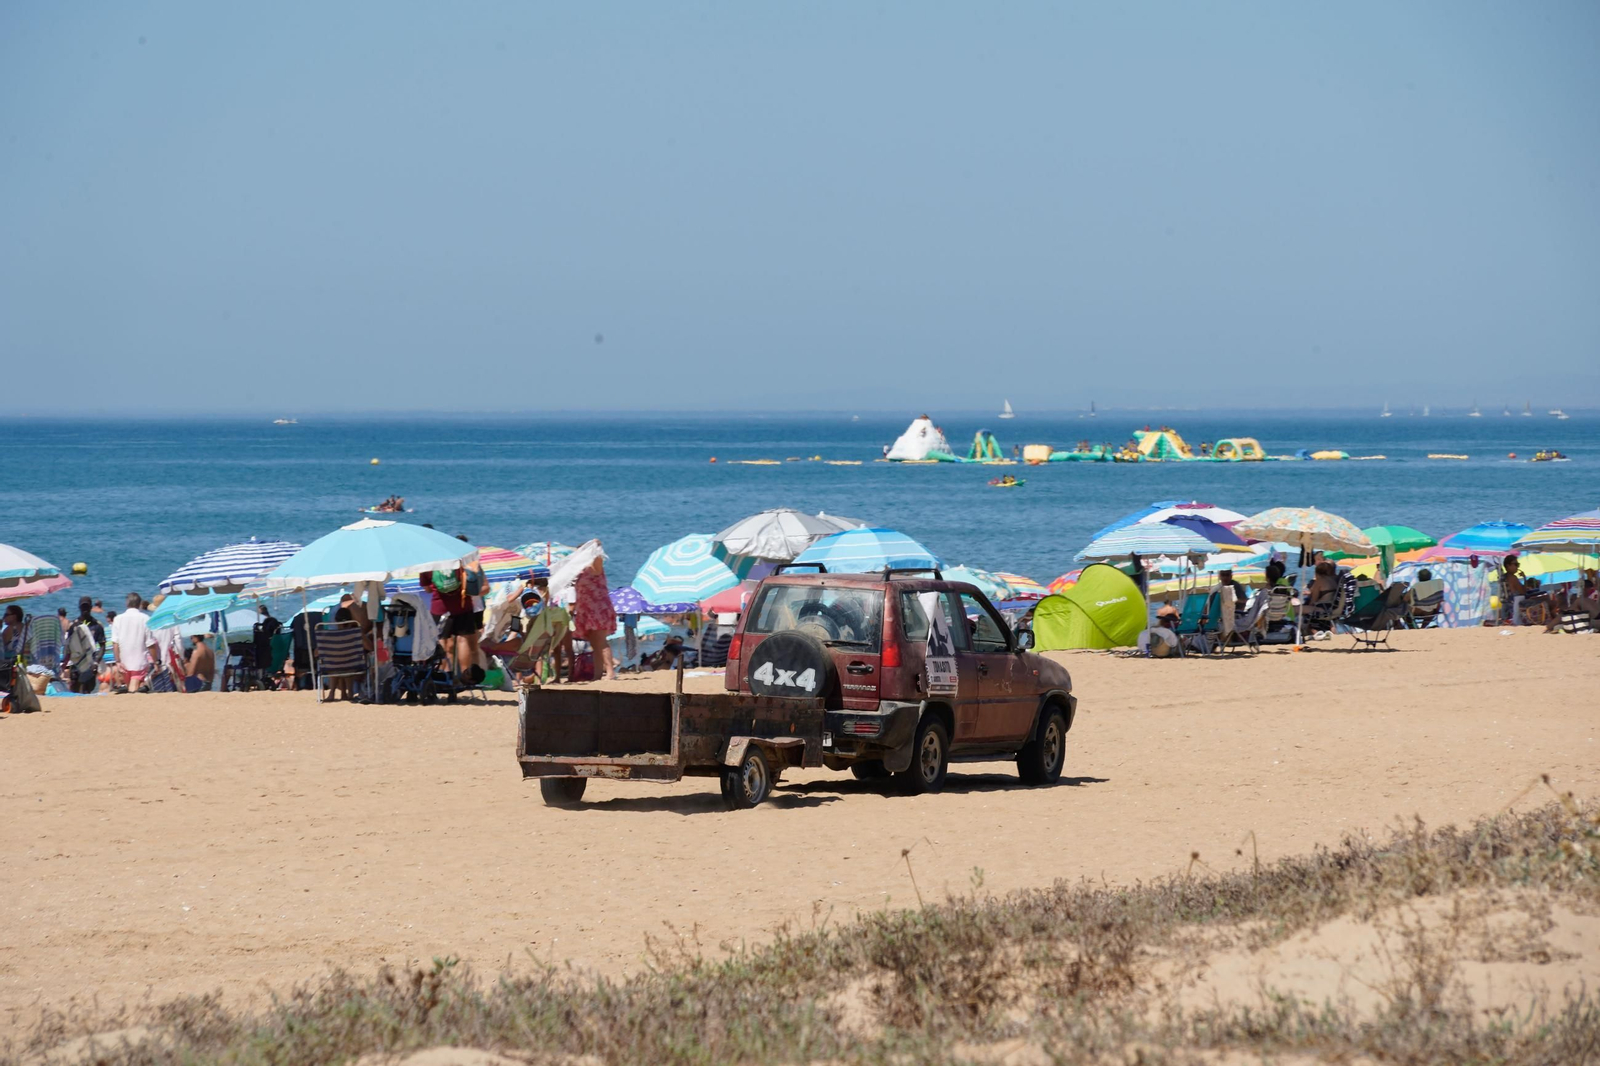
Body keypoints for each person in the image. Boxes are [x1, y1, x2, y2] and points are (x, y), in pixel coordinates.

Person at [572, 548, 618, 681]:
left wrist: (595, 547)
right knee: (594, 644)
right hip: (586, 610)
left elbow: (599, 559)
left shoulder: (595, 568)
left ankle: (610, 672)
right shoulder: (581, 570)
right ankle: (597, 674)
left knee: (601, 641)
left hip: (598, 609)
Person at [110, 592, 155, 692]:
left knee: (129, 685)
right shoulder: (145, 619)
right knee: (133, 687)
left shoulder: (117, 619)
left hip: (123, 660)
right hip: (139, 660)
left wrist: (117, 661)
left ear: (127, 604)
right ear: (139, 604)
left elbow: (115, 643)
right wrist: (156, 661)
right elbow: (150, 644)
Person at [63, 598, 104, 694]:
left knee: (86, 690)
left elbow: (102, 646)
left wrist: (96, 662)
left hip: (90, 664)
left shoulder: (97, 625)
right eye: (83, 607)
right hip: (75, 664)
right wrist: (65, 664)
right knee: (74, 691)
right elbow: (68, 646)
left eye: (87, 607)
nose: (85, 609)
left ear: (91, 607)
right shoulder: (73, 625)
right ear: (79, 608)